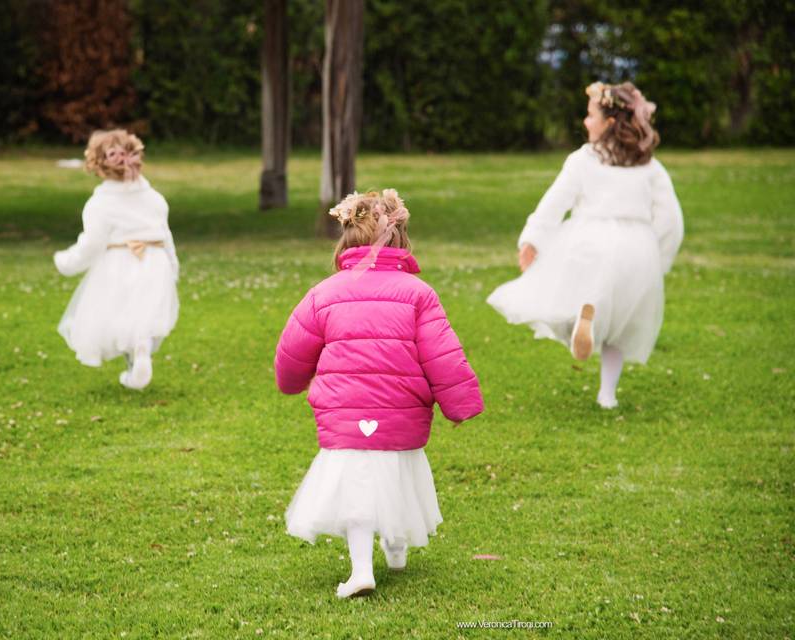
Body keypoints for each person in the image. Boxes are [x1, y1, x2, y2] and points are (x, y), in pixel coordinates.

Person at [274, 189, 484, 598]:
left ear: (347, 239)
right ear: (401, 240)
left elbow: (292, 351)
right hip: (400, 415)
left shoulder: (324, 293)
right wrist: (460, 405)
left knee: (357, 491)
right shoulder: (418, 295)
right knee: (398, 478)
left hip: (345, 416)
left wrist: (291, 382)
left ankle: (360, 570)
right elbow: (442, 354)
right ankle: (397, 550)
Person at [487, 81, 684, 408]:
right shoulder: (648, 165)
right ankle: (607, 395)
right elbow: (671, 219)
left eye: (589, 115)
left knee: (560, 301)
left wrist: (532, 239)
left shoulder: (583, 159)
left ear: (608, 124)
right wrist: (657, 258)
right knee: (622, 326)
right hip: (636, 250)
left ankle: (580, 324)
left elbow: (555, 201)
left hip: (588, 240)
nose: (584, 121)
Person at [54, 129, 179, 389]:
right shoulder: (154, 197)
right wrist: (173, 266)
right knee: (143, 316)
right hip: (156, 262)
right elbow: (165, 235)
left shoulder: (101, 203)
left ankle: (135, 360)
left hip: (118, 262)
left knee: (119, 314)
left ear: (97, 165)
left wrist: (67, 261)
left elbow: (92, 243)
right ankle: (141, 352)